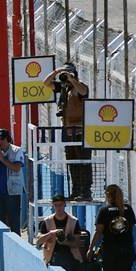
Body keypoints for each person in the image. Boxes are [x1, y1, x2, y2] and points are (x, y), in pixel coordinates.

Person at [87, 184, 136, 271]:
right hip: (126, 249)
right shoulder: (127, 209)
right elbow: (130, 228)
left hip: (110, 250)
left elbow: (99, 231)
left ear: (108, 195)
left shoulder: (104, 211)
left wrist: (91, 248)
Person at [44, 64, 91, 201]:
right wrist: (57, 71)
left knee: (83, 161)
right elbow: (46, 83)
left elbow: (83, 92)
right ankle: (76, 190)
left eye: (69, 73)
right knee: (72, 161)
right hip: (68, 130)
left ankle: (86, 192)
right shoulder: (64, 88)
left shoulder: (80, 87)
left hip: (81, 131)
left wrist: (72, 80)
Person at [34, 195, 88, 271]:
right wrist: (51, 234)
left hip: (70, 255)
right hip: (52, 256)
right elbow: (38, 242)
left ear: (64, 205)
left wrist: (64, 242)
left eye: (60, 205)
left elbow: (77, 243)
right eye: (56, 205)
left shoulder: (73, 221)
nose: (58, 208)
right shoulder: (47, 221)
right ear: (53, 205)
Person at [0, 129, 26, 234]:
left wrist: (2, 158)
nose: (0, 142)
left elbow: (17, 168)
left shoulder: (16, 151)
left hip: (12, 191)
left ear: (8, 139)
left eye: (2, 139)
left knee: (14, 221)